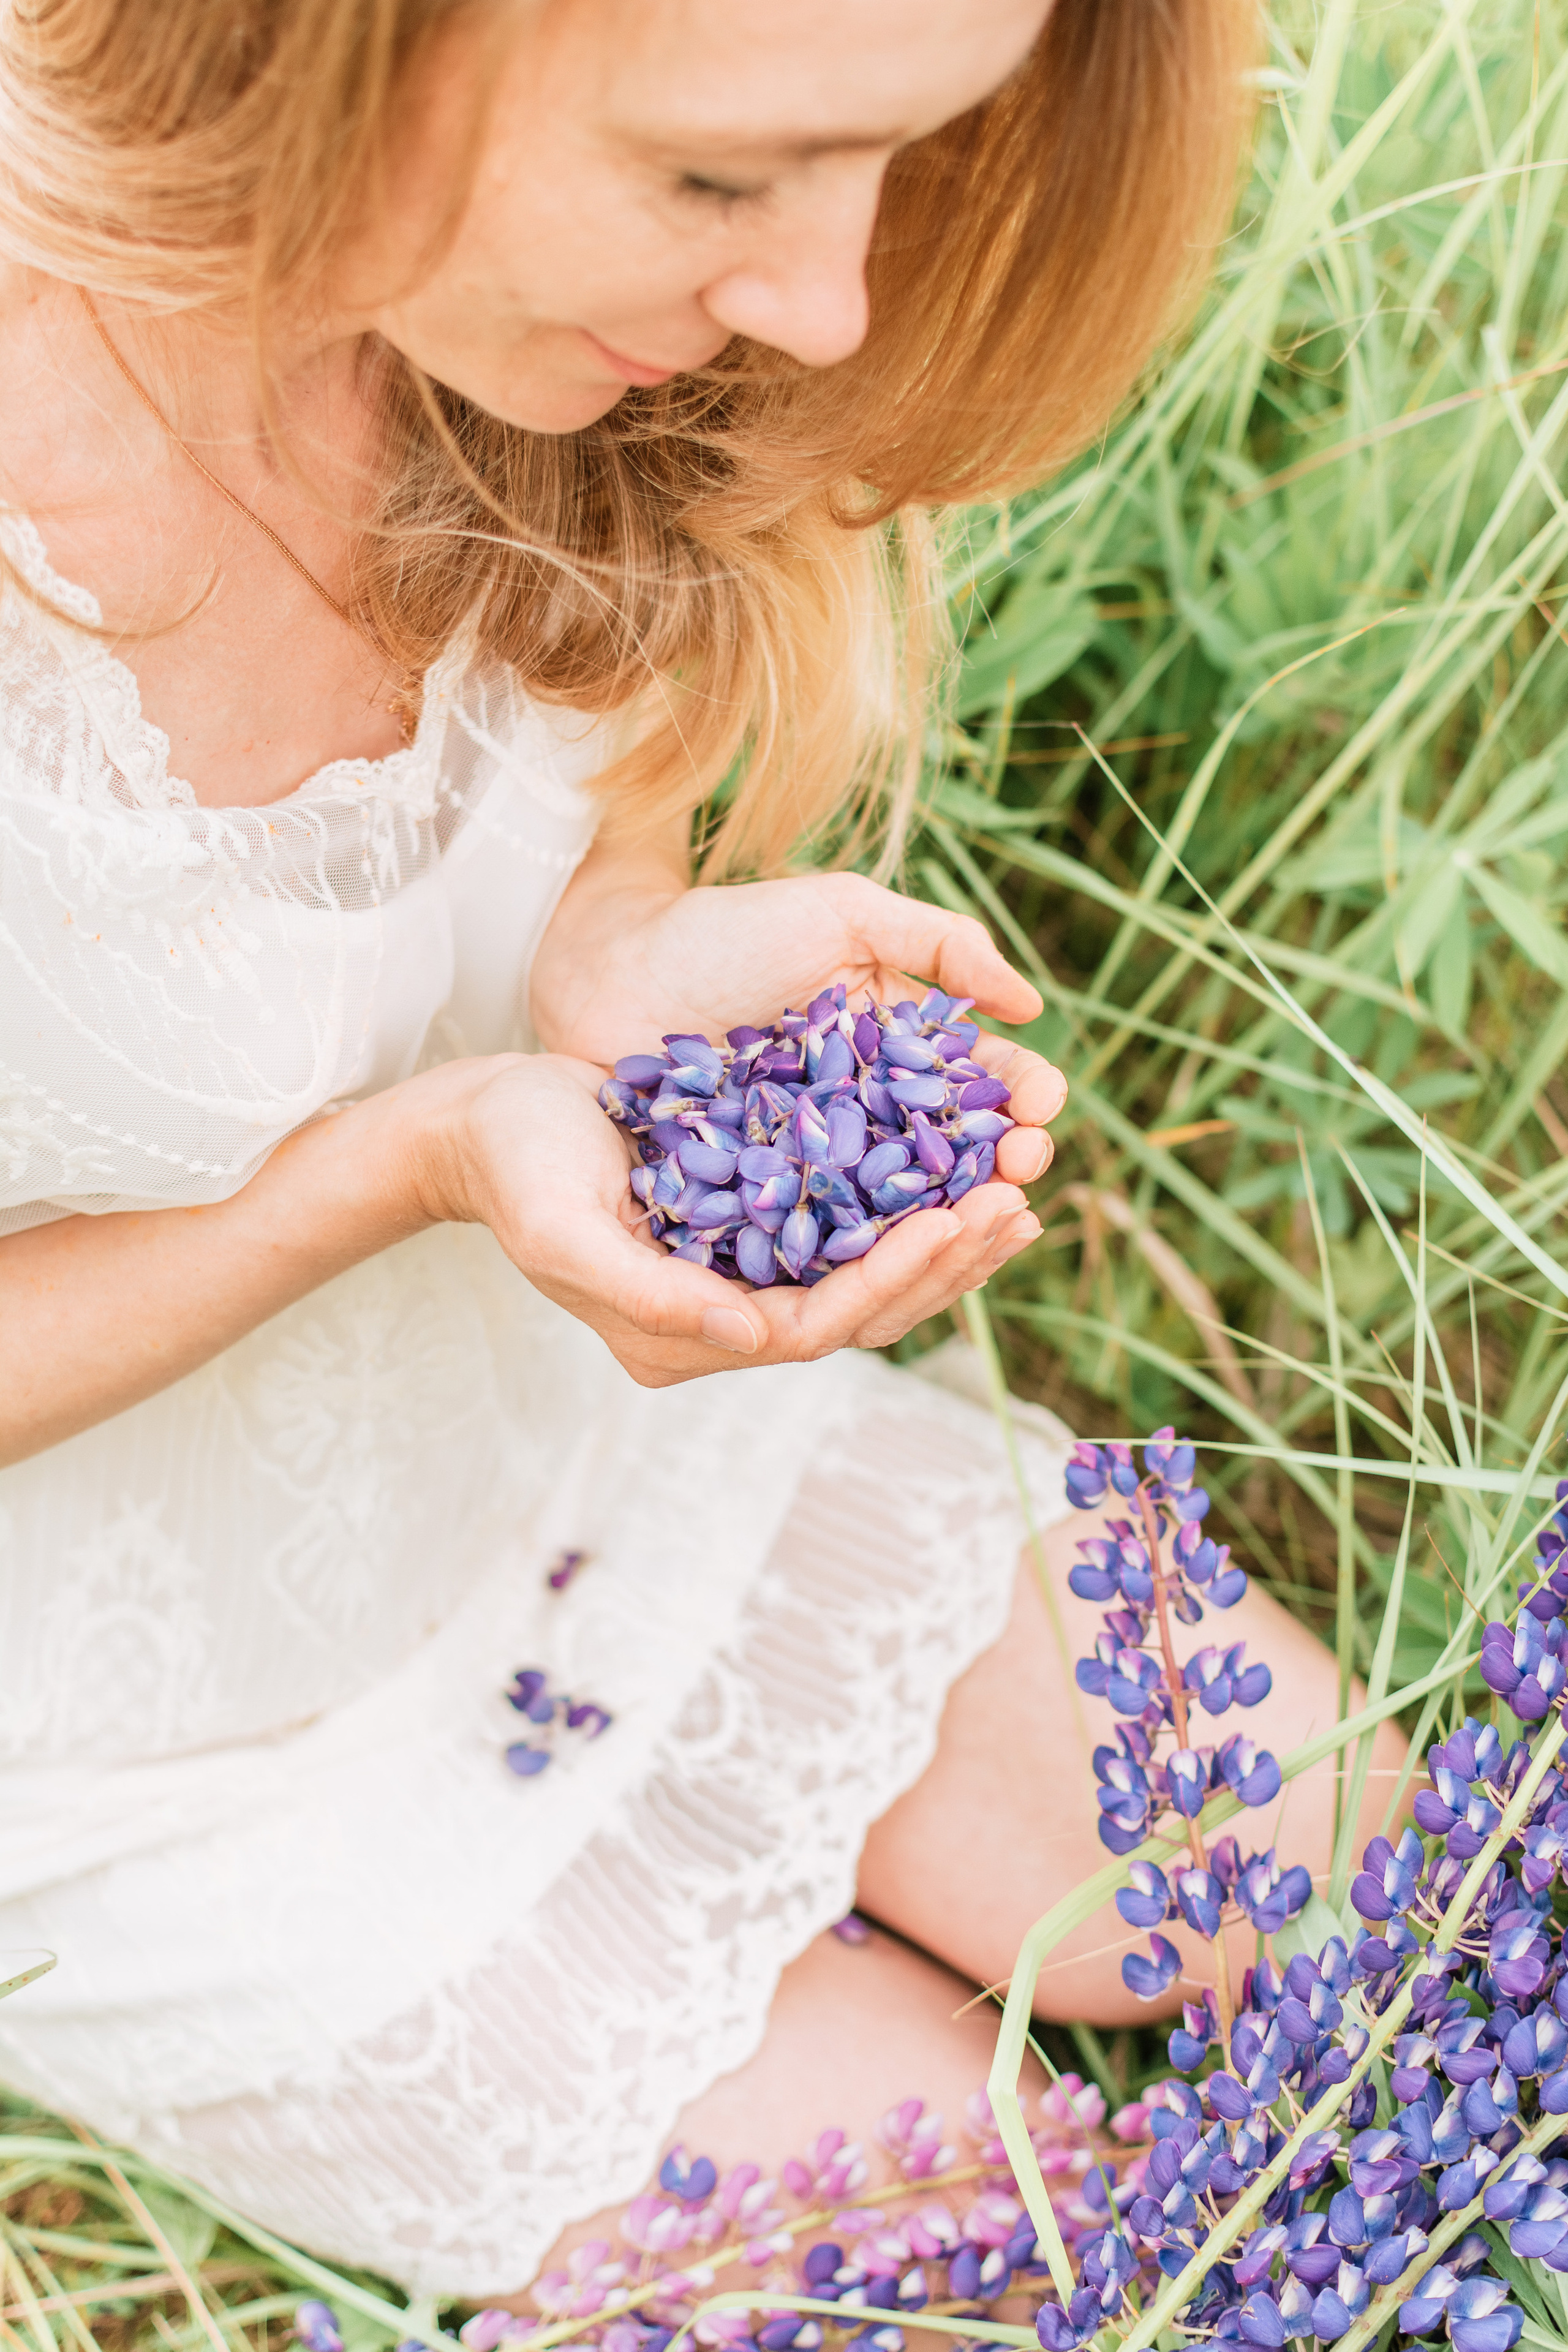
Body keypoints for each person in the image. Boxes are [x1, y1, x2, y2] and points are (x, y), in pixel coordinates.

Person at [0, 0, 1399, 2302]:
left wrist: (612, 936)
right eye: (721, 179)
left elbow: (588, 700)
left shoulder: (566, 336)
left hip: (574, 1452)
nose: (830, 307)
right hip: (150, 1750)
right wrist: (400, 1166)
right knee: (1028, 2259)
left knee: (1375, 1872)